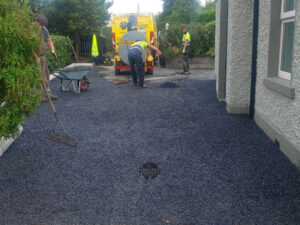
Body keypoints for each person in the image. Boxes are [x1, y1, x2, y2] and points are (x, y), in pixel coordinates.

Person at [35, 14, 58, 101]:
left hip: (42, 56)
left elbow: (49, 40)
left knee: (46, 76)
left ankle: (46, 94)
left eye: (43, 25)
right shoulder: (30, 30)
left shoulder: (44, 29)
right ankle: (38, 96)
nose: (42, 26)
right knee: (38, 77)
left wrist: (52, 50)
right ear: (37, 22)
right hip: (34, 58)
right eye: (41, 24)